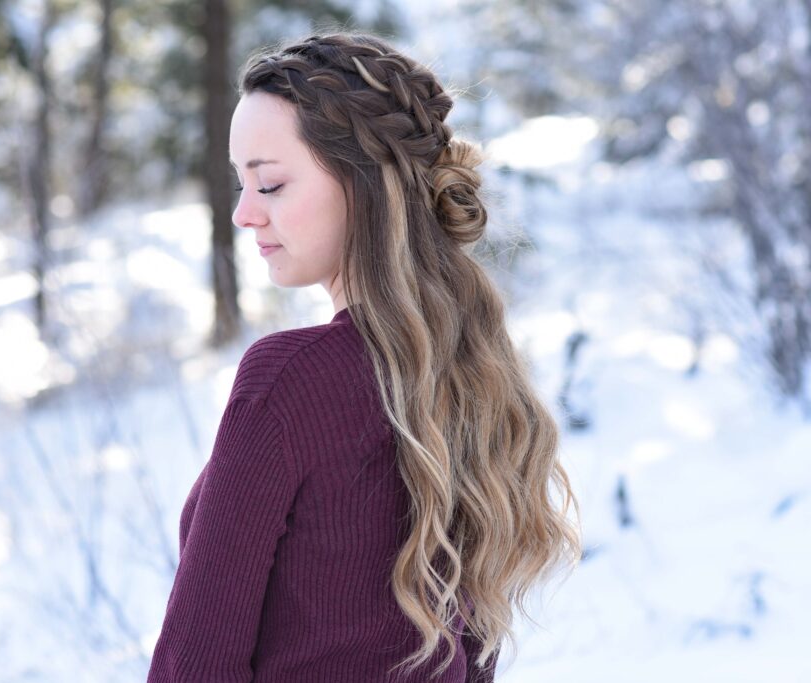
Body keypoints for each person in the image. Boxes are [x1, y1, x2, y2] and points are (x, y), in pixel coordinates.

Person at [147, 30, 582, 682]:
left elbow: (195, 665)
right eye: (239, 183)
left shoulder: (290, 380)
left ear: (363, 184)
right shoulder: (469, 365)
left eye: (268, 185)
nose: (243, 214)